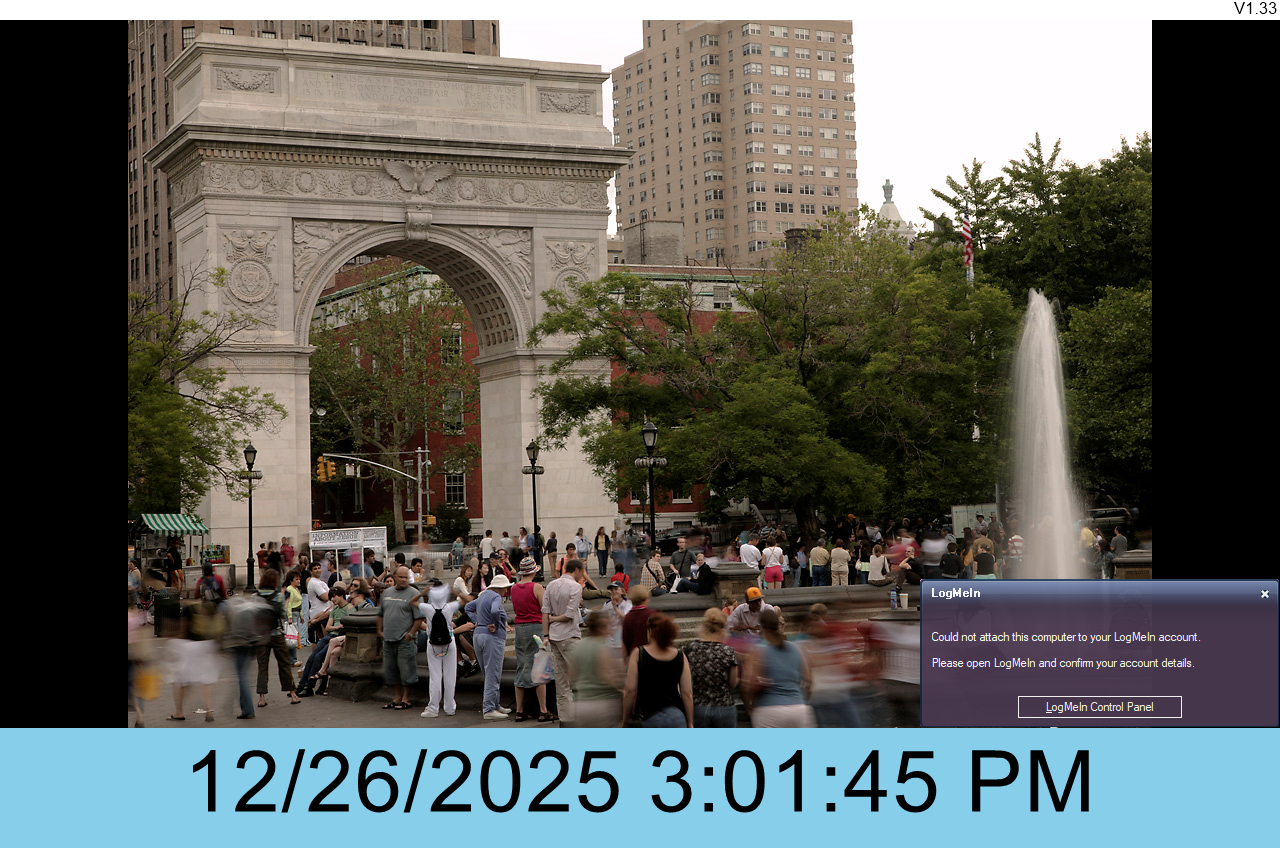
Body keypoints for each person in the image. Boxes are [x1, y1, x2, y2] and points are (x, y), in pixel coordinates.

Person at [743, 608, 814, 728]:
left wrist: (749, 706)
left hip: (768, 711)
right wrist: (801, 700)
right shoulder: (798, 649)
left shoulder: (758, 652)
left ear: (762, 627)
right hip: (799, 710)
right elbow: (809, 681)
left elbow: (750, 685)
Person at [623, 614, 694, 727]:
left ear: (651, 631)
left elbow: (630, 690)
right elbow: (687, 693)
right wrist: (690, 722)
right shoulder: (680, 655)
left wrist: (625, 719)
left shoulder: (639, 654)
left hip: (649, 716)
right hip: (677, 716)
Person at [419, 581, 474, 718]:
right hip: (449, 643)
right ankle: (450, 707)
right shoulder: (449, 607)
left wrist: (422, 593)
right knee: (450, 676)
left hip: (433, 645)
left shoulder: (427, 608)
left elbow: (411, 602)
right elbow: (468, 600)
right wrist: (454, 592)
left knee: (435, 676)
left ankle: (433, 708)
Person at [542, 558, 585, 723]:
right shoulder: (576, 587)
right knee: (581, 678)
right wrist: (554, 619)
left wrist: (546, 635)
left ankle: (566, 719)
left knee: (561, 684)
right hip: (569, 635)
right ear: (577, 570)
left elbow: (545, 612)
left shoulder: (551, 585)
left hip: (554, 637)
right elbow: (569, 615)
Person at [376, 566, 425, 710]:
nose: (404, 580)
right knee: (391, 670)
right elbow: (381, 614)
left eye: (406, 577)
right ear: (394, 577)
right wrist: (379, 630)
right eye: (401, 577)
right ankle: (397, 697)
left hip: (405, 639)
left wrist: (410, 634)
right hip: (388, 639)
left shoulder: (414, 593)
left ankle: (406, 698)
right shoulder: (387, 593)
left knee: (406, 670)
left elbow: (419, 617)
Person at [466, 572, 513, 720]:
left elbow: (468, 607)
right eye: (505, 587)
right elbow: (494, 611)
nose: (506, 590)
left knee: (488, 673)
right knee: (493, 673)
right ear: (499, 588)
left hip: (478, 635)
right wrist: (495, 625)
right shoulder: (496, 597)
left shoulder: (482, 595)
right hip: (492, 637)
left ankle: (495, 704)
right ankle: (489, 708)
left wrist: (477, 620)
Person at [510, 558, 551, 722]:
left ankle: (519, 710)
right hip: (535, 627)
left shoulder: (514, 588)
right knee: (539, 667)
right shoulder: (537, 587)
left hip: (520, 628)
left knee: (522, 665)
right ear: (534, 571)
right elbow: (545, 610)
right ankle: (543, 710)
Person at [684, 608, 739, 727]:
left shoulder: (690, 649)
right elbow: (733, 683)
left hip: (699, 705)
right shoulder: (728, 651)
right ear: (722, 629)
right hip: (724, 706)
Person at [570, 610, 626, 727]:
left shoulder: (579, 647)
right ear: (601, 628)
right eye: (607, 627)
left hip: (582, 704)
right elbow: (608, 676)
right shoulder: (604, 649)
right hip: (603, 705)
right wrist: (621, 685)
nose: (610, 631)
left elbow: (571, 675)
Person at [255, 569, 302, 708]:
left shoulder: (255, 596)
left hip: (262, 636)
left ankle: (261, 698)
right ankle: (293, 694)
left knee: (262, 666)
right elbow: (282, 614)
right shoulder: (279, 596)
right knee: (284, 664)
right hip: (277, 633)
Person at [297, 582, 351, 696]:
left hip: (337, 637)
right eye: (331, 597)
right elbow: (328, 627)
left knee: (318, 657)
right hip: (330, 635)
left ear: (341, 595)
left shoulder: (349, 608)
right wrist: (337, 627)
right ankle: (301, 685)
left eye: (334, 596)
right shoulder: (335, 609)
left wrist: (336, 628)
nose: (332, 599)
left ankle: (309, 686)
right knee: (311, 657)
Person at [621, 585, 653, 659]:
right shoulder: (652, 614)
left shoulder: (628, 617)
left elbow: (625, 641)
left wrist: (625, 659)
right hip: (650, 654)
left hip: (633, 655)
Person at [305, 560, 333, 645]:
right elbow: (326, 597)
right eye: (315, 569)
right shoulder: (315, 583)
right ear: (311, 571)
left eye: (319, 568)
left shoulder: (320, 582)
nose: (318, 570)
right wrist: (331, 596)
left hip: (323, 613)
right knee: (322, 641)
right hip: (319, 614)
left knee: (319, 641)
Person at [283, 569, 304, 666]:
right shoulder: (290, 589)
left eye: (299, 579)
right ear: (291, 580)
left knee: (293, 637)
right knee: (292, 638)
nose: (298, 581)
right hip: (292, 614)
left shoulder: (296, 589)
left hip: (296, 613)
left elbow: (298, 603)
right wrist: (290, 617)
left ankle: (292, 659)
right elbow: (289, 603)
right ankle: (293, 659)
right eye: (296, 579)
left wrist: (301, 615)